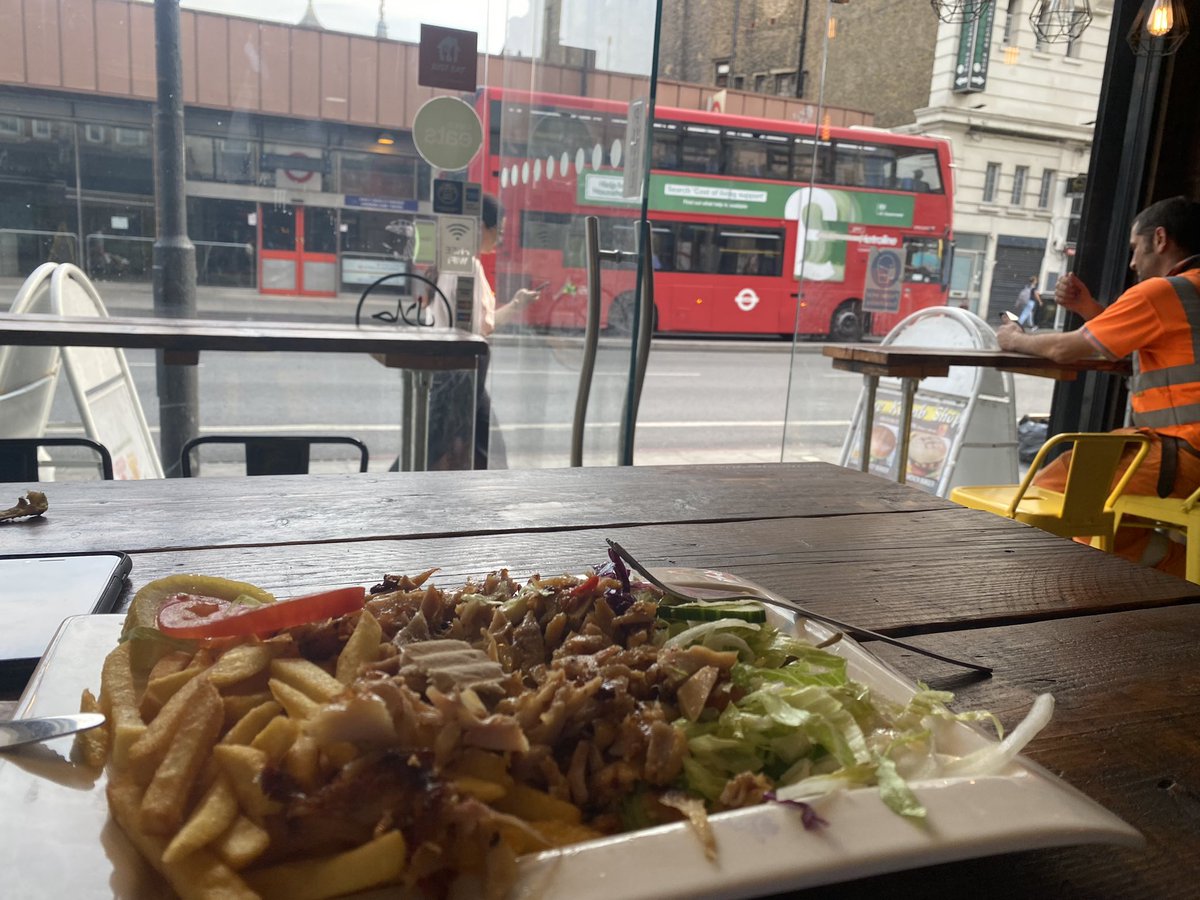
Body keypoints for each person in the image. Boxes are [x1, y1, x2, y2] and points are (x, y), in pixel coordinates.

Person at [994, 195, 1200, 577]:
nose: (1133, 263)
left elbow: (1062, 347)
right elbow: (1152, 344)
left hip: (1187, 455)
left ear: (1160, 239)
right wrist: (1089, 308)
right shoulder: (1188, 295)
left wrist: (1013, 339)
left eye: (1135, 249)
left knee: (1052, 494)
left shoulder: (1163, 292)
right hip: (1189, 458)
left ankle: (1179, 568)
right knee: (1100, 509)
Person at [418, 194, 542, 470]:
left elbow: (480, 324)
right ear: (481, 227)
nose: (499, 239)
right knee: (435, 447)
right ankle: (392, 494)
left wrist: (517, 303)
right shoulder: (467, 266)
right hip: (462, 370)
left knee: (475, 446)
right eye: (498, 231)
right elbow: (475, 331)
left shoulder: (454, 261)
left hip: (459, 369)